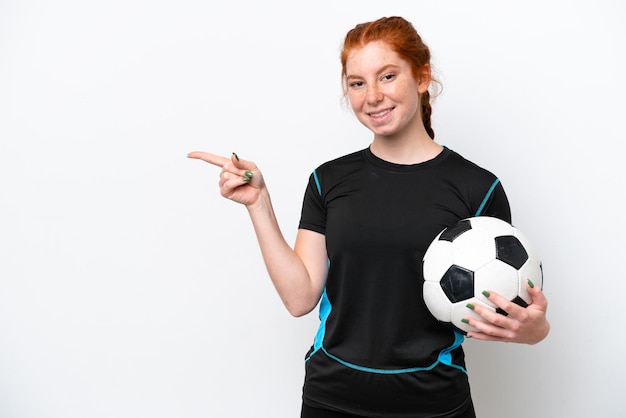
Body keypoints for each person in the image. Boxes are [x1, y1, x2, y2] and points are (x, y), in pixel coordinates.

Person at [189, 16, 549, 418]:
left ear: (422, 76)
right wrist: (259, 203)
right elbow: (299, 297)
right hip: (332, 397)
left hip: (433, 402)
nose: (372, 95)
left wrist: (535, 331)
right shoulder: (329, 180)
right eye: (357, 83)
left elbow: (505, 310)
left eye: (388, 76)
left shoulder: (478, 188)